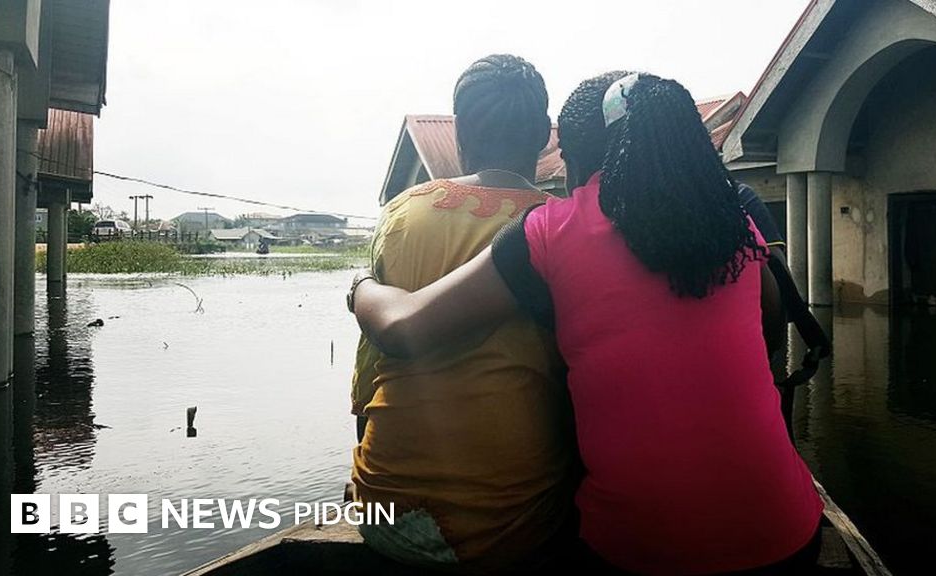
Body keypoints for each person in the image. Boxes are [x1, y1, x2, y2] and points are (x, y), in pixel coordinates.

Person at [350, 72, 824, 575]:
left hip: (638, 556)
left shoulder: (551, 230)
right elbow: (770, 328)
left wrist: (361, 287)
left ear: (573, 161)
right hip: (789, 538)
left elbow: (403, 329)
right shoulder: (734, 223)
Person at [349, 54, 576, 572]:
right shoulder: (560, 226)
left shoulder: (402, 211)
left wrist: (365, 481)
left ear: (460, 131)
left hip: (386, 510)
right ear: (543, 135)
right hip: (517, 520)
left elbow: (368, 368)